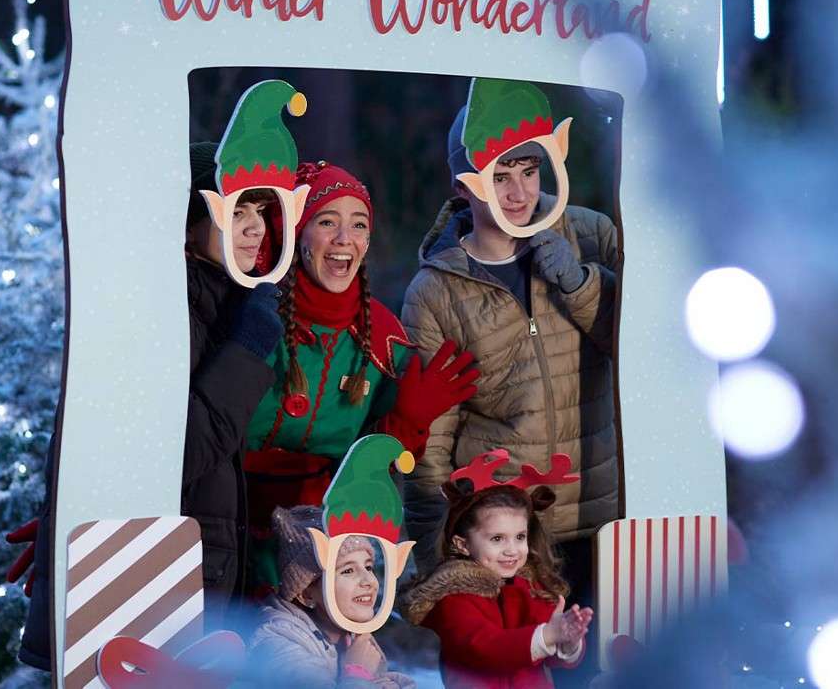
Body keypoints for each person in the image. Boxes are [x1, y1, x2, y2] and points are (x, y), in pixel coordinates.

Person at [6, 141, 285, 668]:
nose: (256, 230)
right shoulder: (162, 307)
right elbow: (177, 452)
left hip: (180, 584)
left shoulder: (216, 299)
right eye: (235, 211)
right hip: (148, 597)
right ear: (185, 224)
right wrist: (247, 351)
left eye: (260, 212)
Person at [401, 100, 622, 585]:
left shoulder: (591, 234)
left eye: (529, 170)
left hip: (603, 520)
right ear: (464, 186)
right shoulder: (436, 290)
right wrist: (440, 566)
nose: (519, 192)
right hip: (504, 536)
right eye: (501, 176)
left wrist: (579, 282)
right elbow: (432, 438)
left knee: (600, 659)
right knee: (506, 660)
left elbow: (642, 349)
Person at [241, 160, 479, 595]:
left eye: (358, 224)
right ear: (296, 232)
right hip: (229, 529)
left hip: (325, 555)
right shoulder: (253, 315)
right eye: (327, 221)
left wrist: (408, 422)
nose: (344, 239)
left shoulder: (385, 340)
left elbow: (376, 468)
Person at [401, 476, 593, 688]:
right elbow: (486, 648)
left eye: (520, 537)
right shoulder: (454, 598)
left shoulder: (531, 587)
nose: (512, 550)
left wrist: (568, 642)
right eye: (497, 539)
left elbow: (548, 656)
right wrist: (548, 634)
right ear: (463, 545)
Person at [247, 506, 415, 689]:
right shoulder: (277, 642)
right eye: (348, 570)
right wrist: (357, 674)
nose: (369, 581)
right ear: (305, 593)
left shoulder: (351, 636)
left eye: (368, 567)